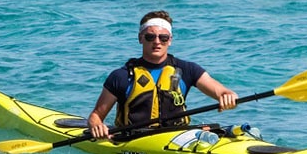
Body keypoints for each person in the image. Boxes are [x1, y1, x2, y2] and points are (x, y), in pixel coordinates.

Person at [88, 10, 238, 139]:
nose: (157, 42)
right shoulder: (121, 76)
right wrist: (97, 126)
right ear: (140, 38)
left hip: (178, 136)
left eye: (163, 37)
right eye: (150, 37)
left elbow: (222, 92)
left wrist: (228, 97)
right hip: (134, 139)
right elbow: (96, 116)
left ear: (170, 40)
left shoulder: (187, 69)